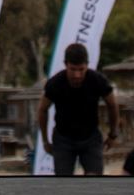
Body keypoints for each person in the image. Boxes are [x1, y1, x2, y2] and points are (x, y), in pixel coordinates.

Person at [37, 42, 118, 177]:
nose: (77, 75)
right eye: (73, 69)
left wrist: (113, 134)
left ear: (87, 65)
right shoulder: (55, 83)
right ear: (65, 64)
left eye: (81, 69)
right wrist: (45, 140)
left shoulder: (97, 80)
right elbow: (42, 110)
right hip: (63, 139)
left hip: (90, 137)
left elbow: (113, 105)